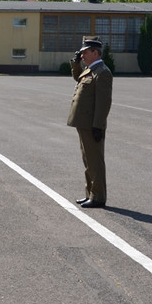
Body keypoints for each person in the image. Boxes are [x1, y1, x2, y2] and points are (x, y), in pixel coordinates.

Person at [66, 36, 112, 209]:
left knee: (95, 162)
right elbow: (78, 77)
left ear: (95, 52)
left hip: (92, 125)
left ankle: (98, 197)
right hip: (84, 123)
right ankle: (90, 193)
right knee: (88, 161)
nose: (82, 54)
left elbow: (103, 102)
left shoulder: (102, 72)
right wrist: (76, 63)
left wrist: (98, 126)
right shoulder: (90, 70)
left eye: (85, 52)